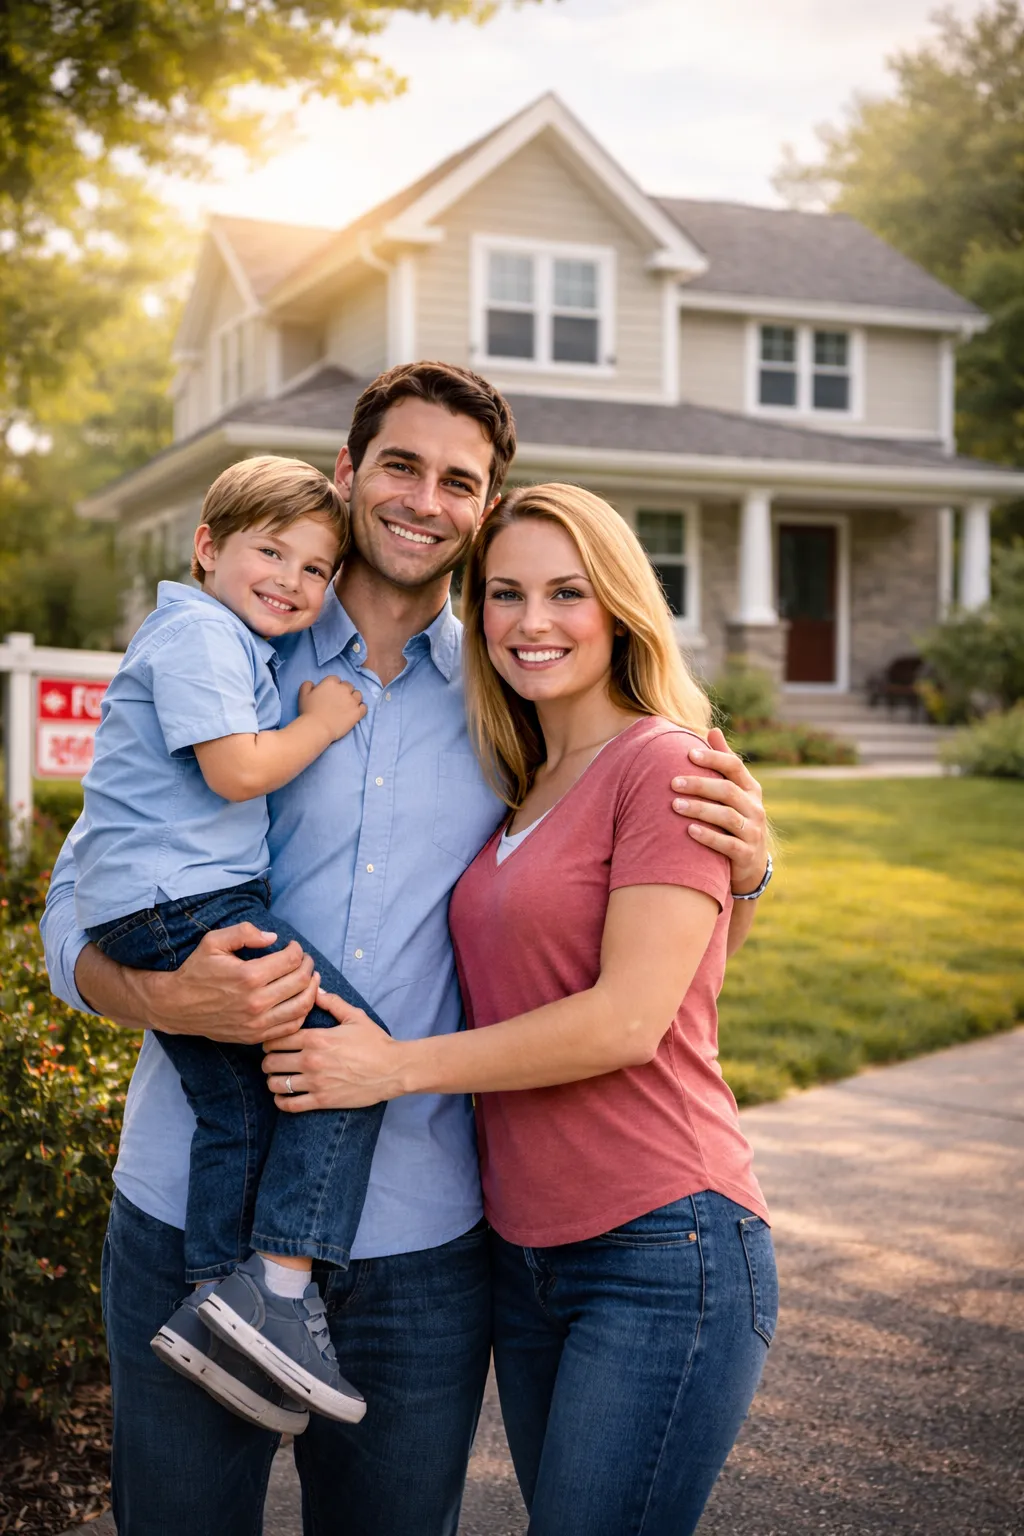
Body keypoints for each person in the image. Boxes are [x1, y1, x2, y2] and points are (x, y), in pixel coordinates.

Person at [41, 362, 771, 1536]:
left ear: (485, 508)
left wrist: (743, 859)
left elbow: (608, 857)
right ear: (347, 472)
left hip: (420, 1238)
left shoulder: (516, 696)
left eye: (459, 481)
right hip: (189, 1202)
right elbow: (75, 900)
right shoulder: (233, 652)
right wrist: (162, 991)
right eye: (399, 465)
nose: (424, 499)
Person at [266, 481, 777, 1536]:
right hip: (528, 1253)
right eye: (503, 594)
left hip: (660, 1239)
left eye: (565, 593)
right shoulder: (526, 776)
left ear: (621, 604)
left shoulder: (664, 762)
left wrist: (395, 1065)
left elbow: (628, 1021)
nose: (531, 622)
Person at [74, 455, 388, 1431]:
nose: (293, 582)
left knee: (238, 1113)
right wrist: (325, 722)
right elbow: (237, 772)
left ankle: (225, 1312)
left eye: (316, 569)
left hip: (154, 904)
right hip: (188, 904)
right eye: (271, 552)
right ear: (207, 548)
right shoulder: (202, 636)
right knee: (348, 1056)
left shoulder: (214, 634)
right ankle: (281, 1287)